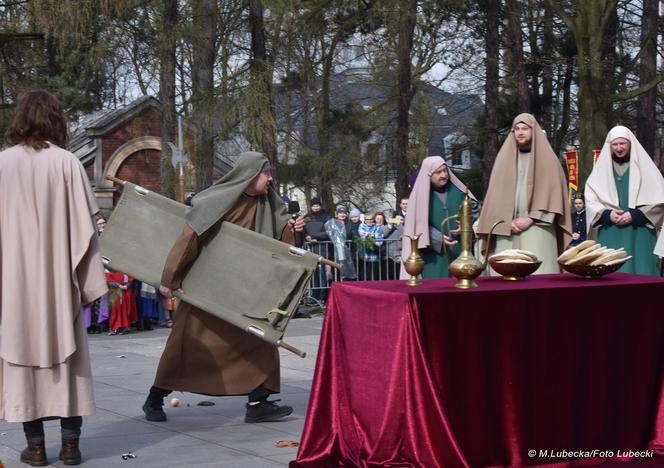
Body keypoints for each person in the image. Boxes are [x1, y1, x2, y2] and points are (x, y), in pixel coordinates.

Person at [142, 151, 304, 424]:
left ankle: (258, 402)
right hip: (209, 288)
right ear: (251, 175)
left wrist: (291, 227)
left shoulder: (269, 204)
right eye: (266, 173)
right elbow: (188, 239)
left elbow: (280, 245)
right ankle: (155, 397)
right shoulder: (217, 201)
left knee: (262, 341)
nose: (270, 178)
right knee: (186, 343)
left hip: (248, 290)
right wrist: (170, 278)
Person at [0, 90, 107, 466]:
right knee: (69, 366)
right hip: (60, 288)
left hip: (14, 290)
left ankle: (35, 448)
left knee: (21, 364)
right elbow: (86, 234)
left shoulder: (1, 165)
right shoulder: (67, 164)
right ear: (56, 119)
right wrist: (92, 286)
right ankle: (71, 446)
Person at [476, 113, 571, 274]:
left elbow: (555, 198)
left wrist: (531, 218)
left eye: (525, 129)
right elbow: (494, 198)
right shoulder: (502, 161)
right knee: (505, 281)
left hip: (538, 228)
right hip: (505, 230)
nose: (520, 132)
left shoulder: (550, 161)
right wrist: (506, 221)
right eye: (517, 129)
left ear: (533, 131)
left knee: (540, 279)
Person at [585, 126, 664, 275]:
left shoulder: (646, 169)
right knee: (610, 279)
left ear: (630, 144)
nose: (619, 148)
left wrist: (634, 215)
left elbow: (660, 201)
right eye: (615, 144)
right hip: (610, 231)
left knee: (642, 274)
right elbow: (591, 200)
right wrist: (608, 214)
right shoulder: (599, 172)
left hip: (640, 232)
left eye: (623, 144)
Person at [401, 156, 479, 279]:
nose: (443, 175)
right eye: (438, 172)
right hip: (433, 257)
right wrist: (437, 237)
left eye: (445, 170)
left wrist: (466, 225)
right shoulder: (419, 197)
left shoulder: (459, 191)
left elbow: (474, 210)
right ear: (429, 175)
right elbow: (415, 224)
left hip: (461, 253)